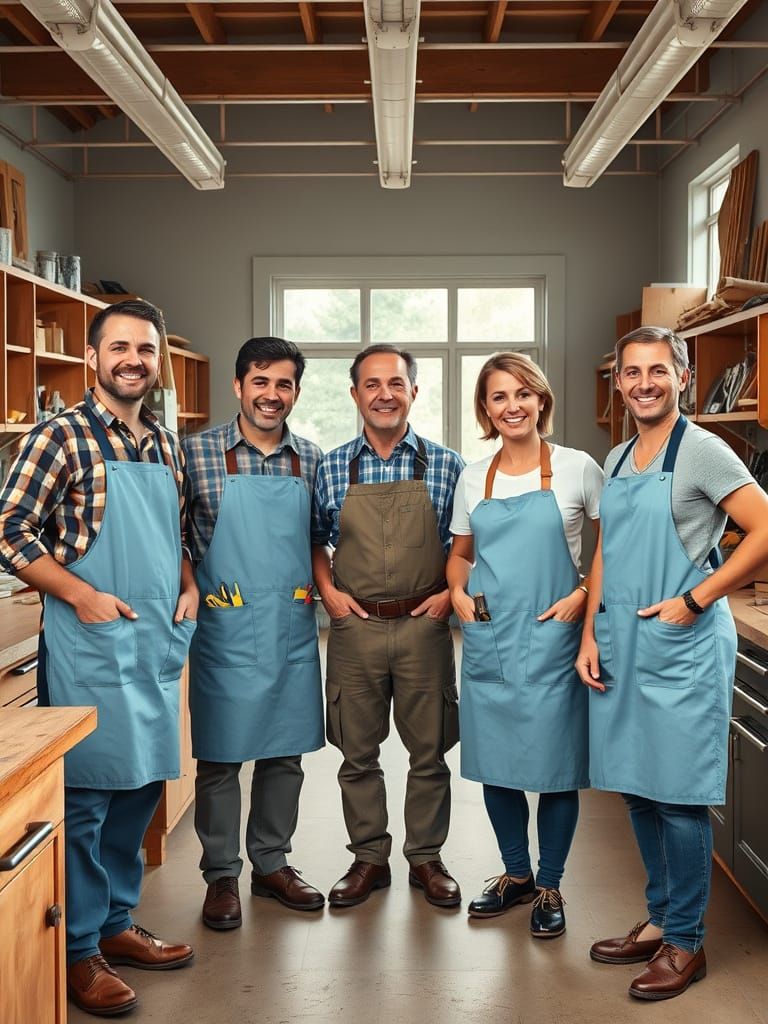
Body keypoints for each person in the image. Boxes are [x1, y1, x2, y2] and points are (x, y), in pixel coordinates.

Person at [0, 299, 197, 1018]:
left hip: (152, 640)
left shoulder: (166, 444)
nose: (133, 360)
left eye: (145, 349)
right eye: (119, 347)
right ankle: (79, 949)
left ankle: (116, 924)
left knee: (140, 787)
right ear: (92, 358)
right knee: (85, 800)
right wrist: (80, 594)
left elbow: (174, 533)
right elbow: (9, 528)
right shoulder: (61, 436)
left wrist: (189, 585)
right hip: (90, 640)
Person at [577, 326, 768, 1000]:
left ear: (682, 377)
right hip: (626, 643)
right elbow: (605, 550)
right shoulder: (622, 455)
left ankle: (687, 942)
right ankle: (660, 920)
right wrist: (591, 633)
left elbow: (765, 525)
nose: (644, 383)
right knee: (635, 785)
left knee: (680, 799)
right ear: (619, 383)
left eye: (658, 370)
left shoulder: (705, 452)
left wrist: (697, 597)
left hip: (682, 647)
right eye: (632, 373)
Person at [447, 352, 602, 937]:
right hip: (490, 640)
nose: (511, 407)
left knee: (557, 768)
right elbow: (460, 555)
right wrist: (457, 590)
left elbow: (611, 543)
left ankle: (550, 884)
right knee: (498, 765)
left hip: (552, 636)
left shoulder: (577, 467)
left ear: (541, 400)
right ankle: (515, 874)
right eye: (498, 397)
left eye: (522, 394)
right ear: (485, 410)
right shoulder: (473, 477)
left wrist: (585, 592)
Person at [312, 343, 464, 908]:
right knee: (357, 753)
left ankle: (426, 859)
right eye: (371, 385)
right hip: (356, 630)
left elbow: (469, 546)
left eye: (395, 384)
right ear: (355, 395)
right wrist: (328, 594)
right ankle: (368, 858)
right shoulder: (330, 465)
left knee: (429, 753)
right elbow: (314, 541)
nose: (384, 394)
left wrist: (450, 594)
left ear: (413, 392)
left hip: (425, 625)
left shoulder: (447, 464)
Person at [183, 337, 325, 929]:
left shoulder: (310, 459)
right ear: (239, 386)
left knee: (283, 755)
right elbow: (174, 537)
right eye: (261, 382)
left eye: (284, 384)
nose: (272, 395)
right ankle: (221, 876)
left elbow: (317, 540)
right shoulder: (195, 453)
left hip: (290, 625)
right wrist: (190, 588)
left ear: (295, 391)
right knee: (220, 758)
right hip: (223, 624)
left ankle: (271, 864)